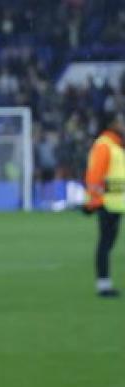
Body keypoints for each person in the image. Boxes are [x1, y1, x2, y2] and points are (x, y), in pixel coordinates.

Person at [85, 111, 125, 298]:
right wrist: (95, 201)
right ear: (112, 123)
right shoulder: (105, 145)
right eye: (119, 121)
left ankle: (104, 283)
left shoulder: (114, 145)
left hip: (116, 203)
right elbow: (95, 177)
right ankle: (103, 284)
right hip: (107, 203)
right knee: (105, 244)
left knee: (108, 243)